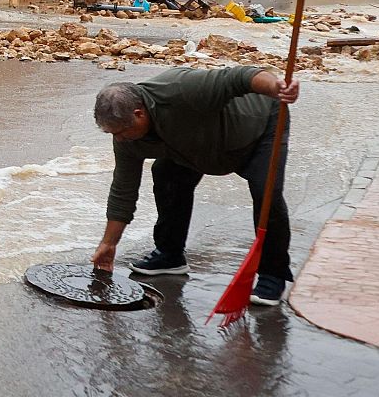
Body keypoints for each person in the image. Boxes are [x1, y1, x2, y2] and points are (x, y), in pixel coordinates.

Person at [90, 65, 300, 306]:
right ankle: (170, 255)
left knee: (267, 195)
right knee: (167, 174)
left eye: (122, 132)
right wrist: (109, 244)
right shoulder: (126, 138)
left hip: (256, 130)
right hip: (195, 146)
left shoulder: (181, 88)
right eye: (112, 134)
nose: (119, 139)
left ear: (139, 114)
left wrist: (277, 87)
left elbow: (242, 76)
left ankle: (272, 274)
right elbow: (123, 190)